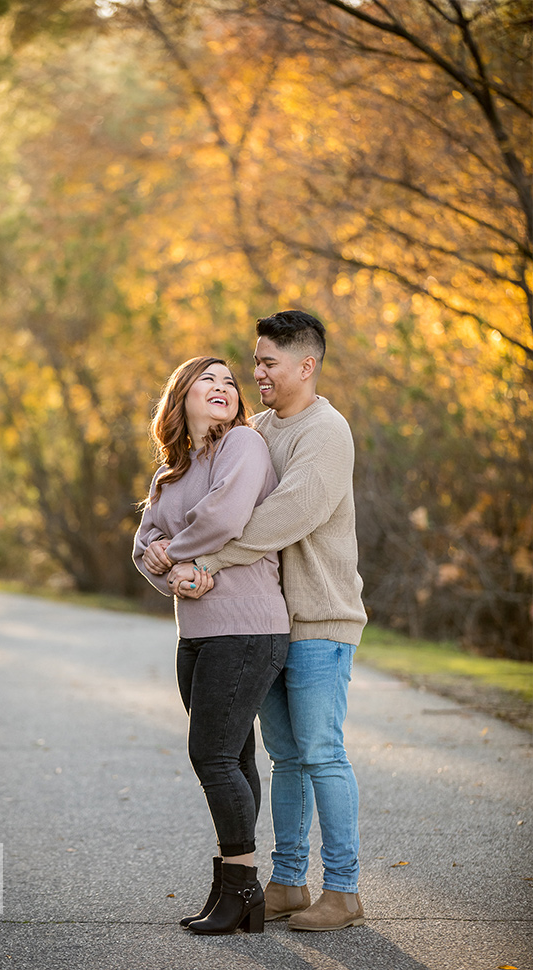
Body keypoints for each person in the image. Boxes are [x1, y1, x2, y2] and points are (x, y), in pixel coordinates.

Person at [144, 310, 367, 932]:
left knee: (322, 752)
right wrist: (178, 560)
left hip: (321, 615)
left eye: (269, 362)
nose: (257, 372)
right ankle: (289, 881)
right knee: (285, 756)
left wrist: (203, 559)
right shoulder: (259, 428)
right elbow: (222, 500)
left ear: (306, 365)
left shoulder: (326, 431)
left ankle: (344, 889)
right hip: (271, 619)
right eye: (257, 360)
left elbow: (281, 519)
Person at [132, 355, 290, 936]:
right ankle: (236, 890)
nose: (224, 387)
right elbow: (143, 544)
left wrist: (173, 553)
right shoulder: (170, 473)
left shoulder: (243, 446)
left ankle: (242, 885)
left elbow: (222, 518)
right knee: (235, 757)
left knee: (213, 758)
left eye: (231, 381)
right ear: (182, 396)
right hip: (196, 635)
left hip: (247, 628)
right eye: (209, 380)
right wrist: (170, 570)